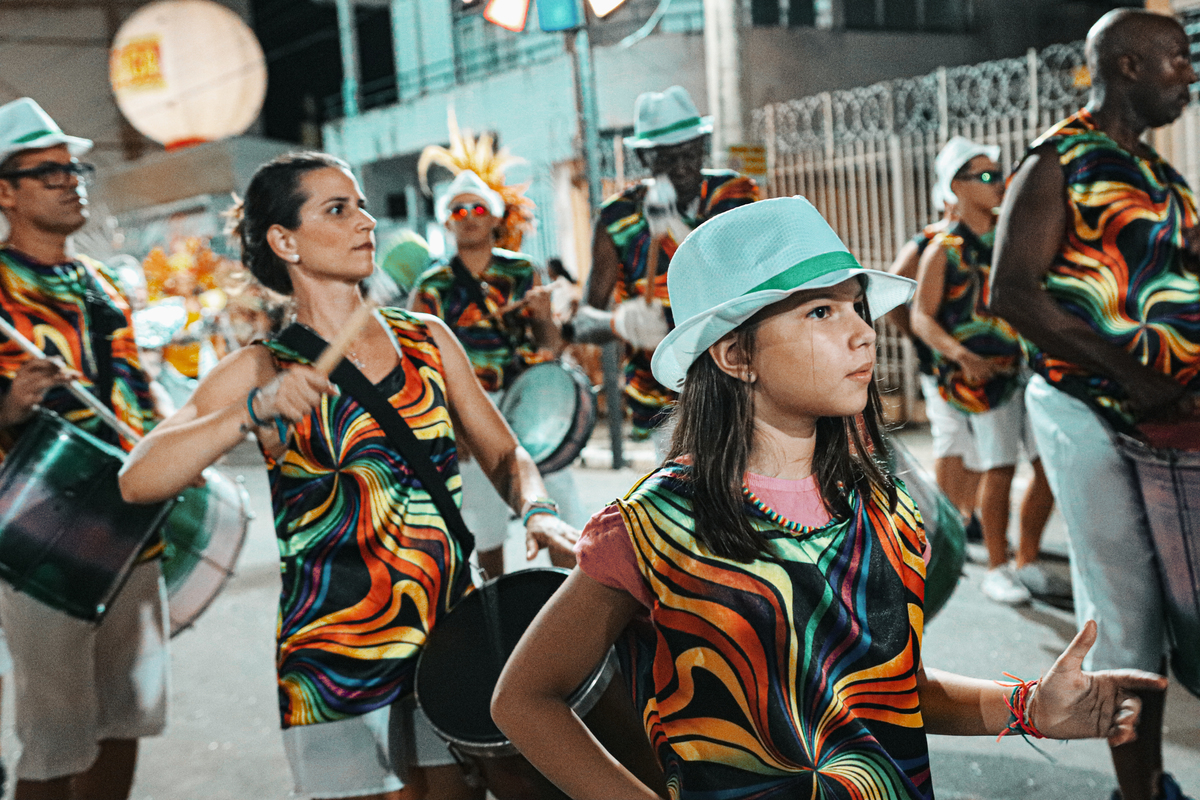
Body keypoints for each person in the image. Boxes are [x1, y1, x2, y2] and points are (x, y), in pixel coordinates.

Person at [491, 197, 1167, 800]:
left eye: (857, 307)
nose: (863, 333)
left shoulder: (888, 509)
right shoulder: (653, 525)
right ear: (734, 355)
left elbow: (891, 690)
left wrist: (1029, 707)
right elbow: (524, 699)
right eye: (821, 311)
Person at [118, 152, 577, 800]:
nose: (366, 221)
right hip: (335, 657)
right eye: (337, 210)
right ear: (285, 242)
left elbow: (506, 455)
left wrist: (538, 510)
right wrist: (253, 410)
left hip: (446, 635)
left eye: (361, 205)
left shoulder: (427, 339)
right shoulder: (262, 368)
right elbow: (137, 478)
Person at [991, 9, 1200, 800]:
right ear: (1127, 66)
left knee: (1174, 606)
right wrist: (1131, 374)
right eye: (1175, 58)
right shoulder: (1061, 159)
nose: (1189, 72)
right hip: (1086, 406)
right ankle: (1139, 792)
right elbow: (1012, 291)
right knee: (1122, 613)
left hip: (1164, 418)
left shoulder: (1162, 177)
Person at [0, 97, 168, 800]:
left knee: (126, 715)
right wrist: (9, 408)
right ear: (5, 193)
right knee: (55, 735)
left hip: (131, 525)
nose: (71, 182)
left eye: (74, 169)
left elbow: (139, 399)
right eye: (49, 172)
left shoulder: (102, 286)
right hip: (36, 533)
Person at [570, 85, 758, 455]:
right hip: (664, 400)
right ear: (644, 156)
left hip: (739, 384)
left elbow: (731, 270)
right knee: (684, 490)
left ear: (703, 144)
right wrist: (621, 323)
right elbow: (581, 323)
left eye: (691, 152)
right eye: (667, 159)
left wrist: (673, 226)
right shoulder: (617, 217)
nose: (683, 167)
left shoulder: (733, 193)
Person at [410, 170, 577, 578]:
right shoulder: (431, 286)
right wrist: (452, 423)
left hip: (526, 399)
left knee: (555, 508)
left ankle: (569, 598)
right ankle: (499, 606)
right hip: (467, 410)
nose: (469, 216)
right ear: (446, 221)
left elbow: (551, 347)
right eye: (458, 210)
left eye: (478, 208)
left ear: (496, 217)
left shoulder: (523, 272)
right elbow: (419, 365)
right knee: (484, 525)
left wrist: (543, 318)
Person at [911, 136, 1055, 606]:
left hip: (1029, 369)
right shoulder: (944, 249)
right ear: (957, 186)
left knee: (1047, 466)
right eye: (987, 175)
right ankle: (997, 566)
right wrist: (961, 356)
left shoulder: (1012, 238)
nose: (999, 183)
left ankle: (1027, 559)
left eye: (1000, 172)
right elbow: (920, 316)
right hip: (984, 381)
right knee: (999, 466)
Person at [885, 186, 984, 540]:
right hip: (943, 363)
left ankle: (968, 513)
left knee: (979, 443)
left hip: (983, 364)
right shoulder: (930, 242)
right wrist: (918, 336)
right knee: (952, 438)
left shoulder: (982, 238)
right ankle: (946, 519)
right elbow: (894, 291)